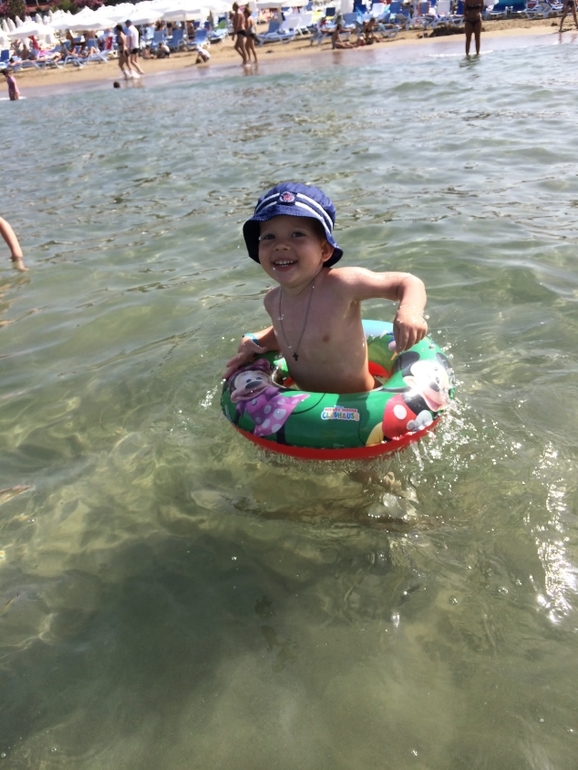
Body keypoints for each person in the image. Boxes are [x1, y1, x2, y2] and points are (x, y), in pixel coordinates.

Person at [223, 183, 428, 395]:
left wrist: (409, 313)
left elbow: (407, 282)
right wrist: (254, 342)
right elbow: (292, 337)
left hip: (365, 404)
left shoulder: (342, 285)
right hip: (309, 409)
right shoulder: (273, 300)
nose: (281, 245)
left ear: (325, 250)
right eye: (269, 237)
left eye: (297, 234)